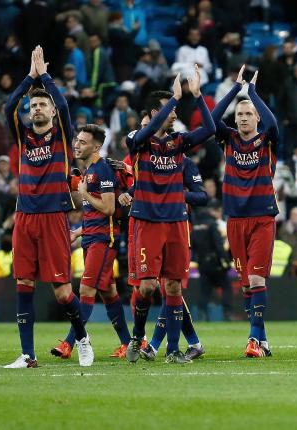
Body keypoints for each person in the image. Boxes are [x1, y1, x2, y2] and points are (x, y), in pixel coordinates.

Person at [4, 47, 92, 369]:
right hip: (24, 217)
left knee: (62, 292)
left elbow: (65, 104)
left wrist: (45, 78)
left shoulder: (63, 138)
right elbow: (9, 107)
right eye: (34, 105)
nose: (37, 108)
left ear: (52, 112)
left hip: (54, 217)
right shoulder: (24, 136)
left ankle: (82, 339)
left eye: (43, 104)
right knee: (23, 284)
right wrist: (29, 78)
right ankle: (28, 355)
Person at [125, 65, 215, 364]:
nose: (175, 115)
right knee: (148, 286)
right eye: (169, 110)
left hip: (176, 221)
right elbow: (148, 131)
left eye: (175, 109)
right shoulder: (139, 139)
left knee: (173, 286)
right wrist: (174, 99)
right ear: (154, 113)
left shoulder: (178, 143)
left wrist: (198, 95)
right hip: (148, 222)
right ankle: (137, 337)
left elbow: (211, 129)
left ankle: (173, 350)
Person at [211, 66, 279, 358]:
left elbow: (273, 122)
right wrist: (235, 90)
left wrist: (251, 92)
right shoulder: (228, 139)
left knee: (256, 280)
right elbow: (212, 120)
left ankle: (253, 339)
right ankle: (262, 340)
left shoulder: (268, 139)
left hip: (262, 217)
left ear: (257, 118)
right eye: (239, 114)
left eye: (248, 113)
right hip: (235, 218)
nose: (243, 117)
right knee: (246, 285)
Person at [49, 125, 132, 362]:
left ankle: (69, 342)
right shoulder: (89, 171)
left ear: (96, 146)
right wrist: (78, 231)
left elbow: (108, 208)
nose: (77, 144)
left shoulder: (103, 169)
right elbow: (96, 213)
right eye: (77, 140)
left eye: (83, 142)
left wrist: (84, 193)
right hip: (91, 237)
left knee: (86, 290)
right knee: (108, 292)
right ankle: (129, 342)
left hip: (104, 240)